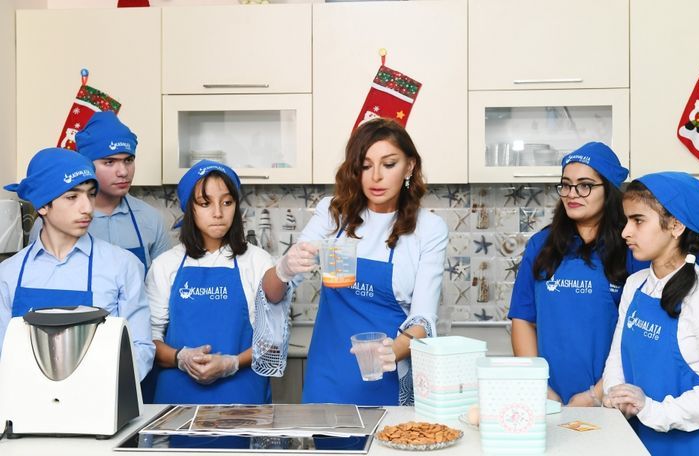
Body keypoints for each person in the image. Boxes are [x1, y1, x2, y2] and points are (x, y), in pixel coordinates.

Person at [274, 117, 449, 406]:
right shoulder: (333, 214)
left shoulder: (428, 229)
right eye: (365, 166)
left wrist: (392, 351)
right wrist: (283, 268)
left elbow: (423, 319)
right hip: (327, 377)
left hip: (388, 374)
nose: (376, 176)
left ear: (409, 166)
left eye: (389, 164)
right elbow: (276, 290)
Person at [603, 172, 699, 456]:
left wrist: (652, 410)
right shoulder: (635, 285)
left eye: (638, 220)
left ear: (676, 225)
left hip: (691, 448)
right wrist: (616, 395)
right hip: (634, 441)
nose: (625, 232)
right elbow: (617, 357)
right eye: (627, 220)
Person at [508, 142, 648, 406]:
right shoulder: (541, 245)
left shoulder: (631, 247)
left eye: (585, 185)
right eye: (566, 185)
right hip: (548, 397)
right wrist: (539, 387)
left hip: (611, 398)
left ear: (609, 189)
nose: (572, 194)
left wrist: (596, 395)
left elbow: (640, 336)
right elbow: (523, 319)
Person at [0, 148, 155, 380]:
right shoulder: (9, 273)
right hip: (26, 398)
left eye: (91, 195)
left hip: (99, 397)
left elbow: (141, 349)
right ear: (42, 205)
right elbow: (3, 353)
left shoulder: (123, 266)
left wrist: (100, 388)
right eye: (72, 197)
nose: (88, 208)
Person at [146, 160, 290, 404]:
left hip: (242, 402)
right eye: (205, 203)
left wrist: (231, 363)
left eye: (227, 202)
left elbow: (274, 341)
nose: (218, 213)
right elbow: (150, 341)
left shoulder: (257, 261)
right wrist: (181, 358)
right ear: (189, 208)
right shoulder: (165, 265)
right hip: (176, 404)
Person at [29, 111, 172, 271]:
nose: (123, 172)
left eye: (128, 160)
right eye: (109, 162)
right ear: (86, 165)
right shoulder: (52, 222)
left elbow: (164, 280)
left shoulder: (151, 219)